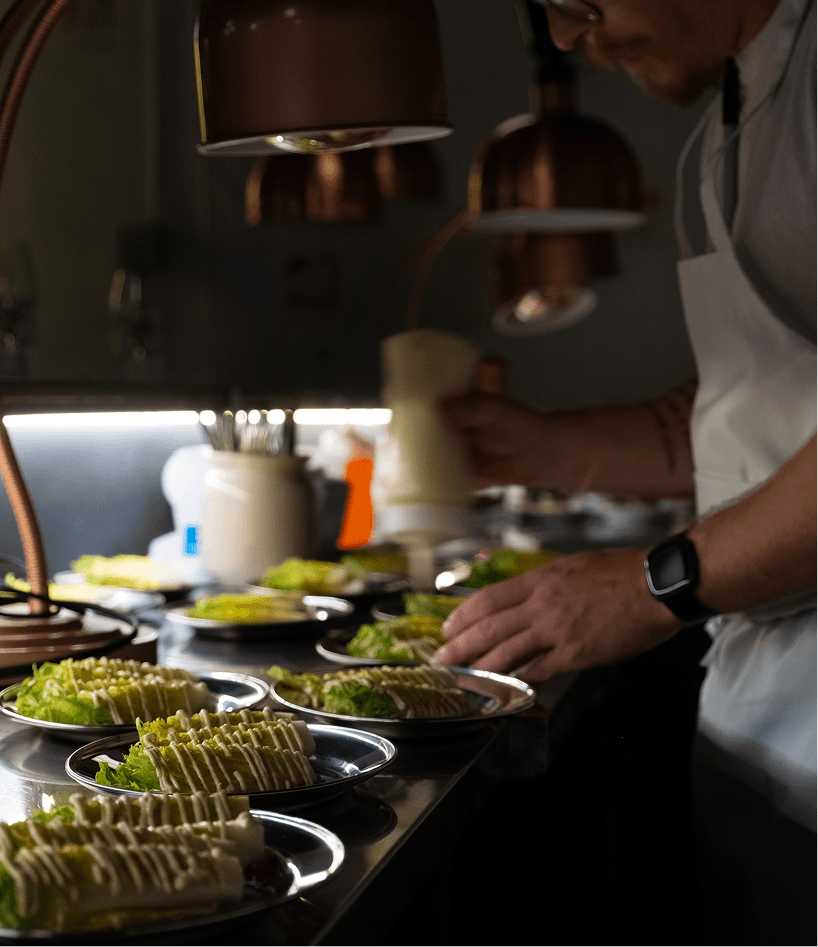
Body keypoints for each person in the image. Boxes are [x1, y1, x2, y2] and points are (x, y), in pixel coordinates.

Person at [434, 0, 816, 944]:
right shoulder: (710, 150)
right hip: (757, 732)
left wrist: (650, 586)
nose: (566, 34)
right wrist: (536, 446)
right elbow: (755, 418)